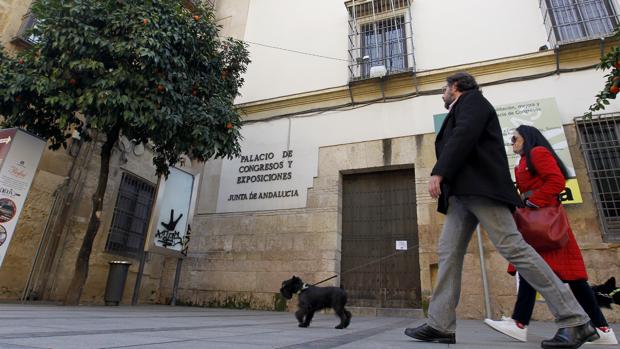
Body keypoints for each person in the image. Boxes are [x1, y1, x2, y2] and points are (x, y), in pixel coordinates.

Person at [403, 72, 599, 348]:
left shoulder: (473, 101)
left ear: (456, 87)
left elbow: (464, 135)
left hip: (482, 189)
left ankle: (576, 320)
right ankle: (440, 324)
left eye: (444, 88)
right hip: (462, 194)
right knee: (448, 254)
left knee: (514, 248)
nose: (442, 94)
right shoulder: (464, 106)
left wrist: (440, 172)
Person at [484, 125, 617, 345]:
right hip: (540, 224)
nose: (512, 142)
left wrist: (531, 201)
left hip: (546, 224)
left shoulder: (537, 153)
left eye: (514, 138)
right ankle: (602, 329)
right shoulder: (525, 159)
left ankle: (519, 323)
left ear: (526, 137)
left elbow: (556, 181)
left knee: (562, 276)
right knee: (550, 274)